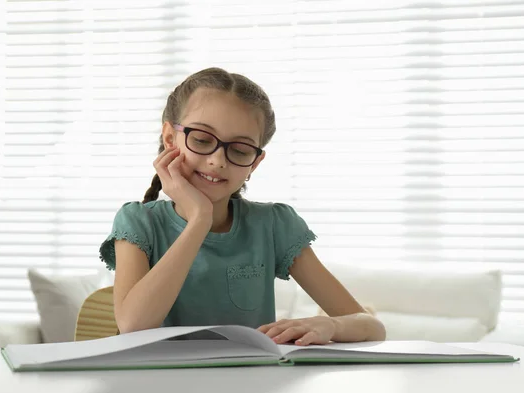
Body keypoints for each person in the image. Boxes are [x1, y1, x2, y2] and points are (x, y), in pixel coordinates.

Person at [99, 67, 386, 346]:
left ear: (255, 162)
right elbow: (133, 326)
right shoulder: (137, 222)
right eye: (201, 139)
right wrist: (200, 219)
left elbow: (372, 328)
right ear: (170, 138)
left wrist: (331, 324)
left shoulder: (273, 225)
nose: (218, 160)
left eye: (240, 149)